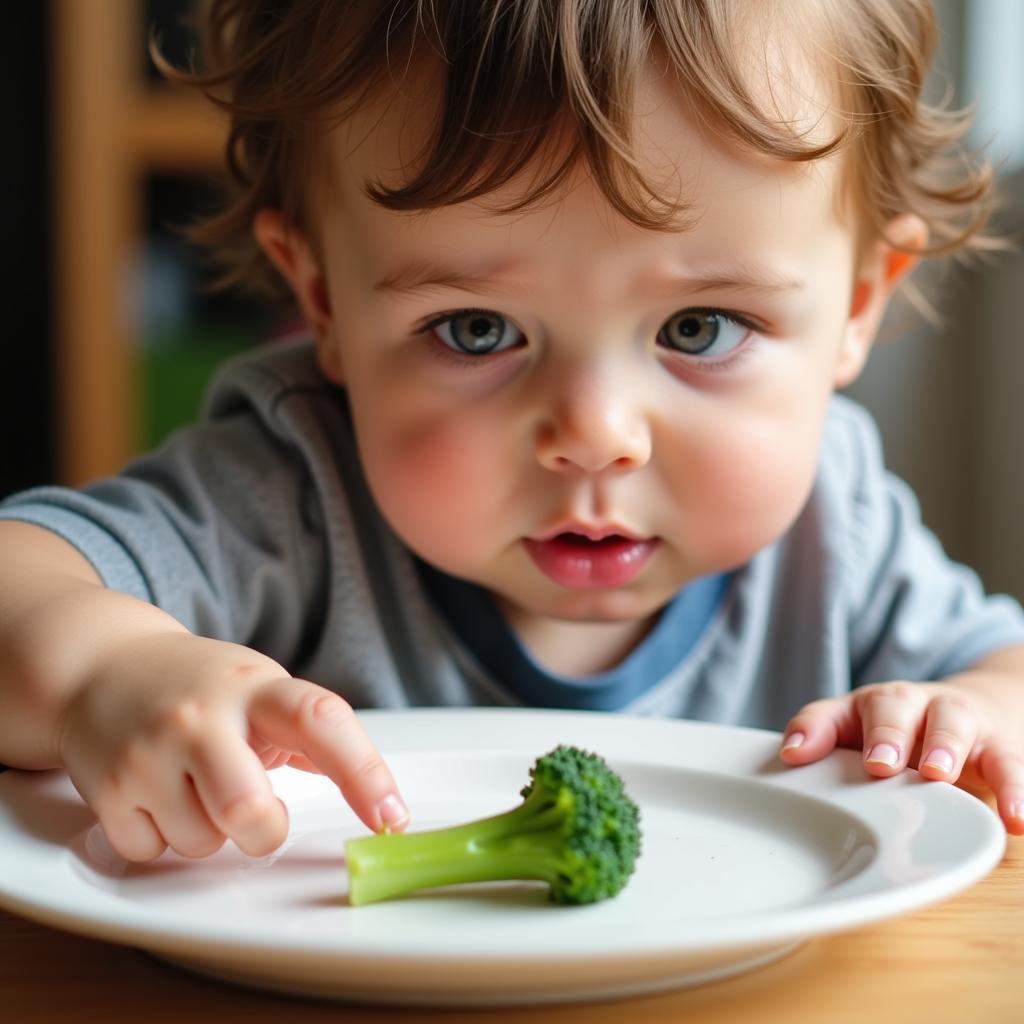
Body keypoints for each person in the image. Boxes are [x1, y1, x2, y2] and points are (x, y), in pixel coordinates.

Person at [1, 0, 1022, 863]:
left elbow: (1007, 675)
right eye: (476, 329)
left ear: (855, 304)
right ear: (323, 297)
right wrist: (102, 672)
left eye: (696, 328)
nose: (592, 435)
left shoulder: (835, 529)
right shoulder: (292, 490)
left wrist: (973, 715)